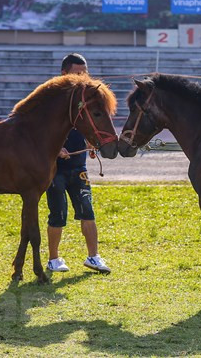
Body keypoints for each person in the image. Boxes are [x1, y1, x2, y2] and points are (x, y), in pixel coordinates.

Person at [45, 53, 112, 274]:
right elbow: (38, 133)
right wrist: (55, 149)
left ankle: (93, 257)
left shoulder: (83, 98)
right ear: (64, 73)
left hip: (78, 166)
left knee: (87, 211)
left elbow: (87, 124)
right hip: (55, 169)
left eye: (85, 72)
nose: (83, 77)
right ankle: (53, 259)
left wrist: (91, 142)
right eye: (77, 73)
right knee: (58, 214)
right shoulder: (52, 99)